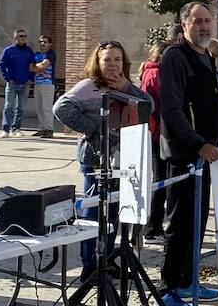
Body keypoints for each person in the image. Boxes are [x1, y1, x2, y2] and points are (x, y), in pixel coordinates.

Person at [54, 41, 152, 279]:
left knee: (114, 214)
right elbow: (61, 108)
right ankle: (90, 265)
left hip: (122, 161)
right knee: (94, 214)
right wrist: (94, 131)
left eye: (117, 59)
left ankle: (107, 260)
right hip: (96, 161)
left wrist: (128, 88)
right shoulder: (88, 87)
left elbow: (149, 106)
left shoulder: (128, 87)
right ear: (97, 62)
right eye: (106, 59)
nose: (112, 65)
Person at [158, 3, 218, 306]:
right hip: (186, 155)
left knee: (197, 224)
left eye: (208, 20)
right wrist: (198, 144)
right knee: (180, 225)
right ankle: (168, 289)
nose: (204, 26)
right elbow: (171, 110)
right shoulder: (175, 57)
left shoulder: (207, 56)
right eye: (197, 21)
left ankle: (187, 281)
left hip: (204, 156)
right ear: (184, 24)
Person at [138, 42, 168, 242]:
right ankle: (153, 228)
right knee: (160, 180)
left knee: (161, 179)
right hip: (157, 133)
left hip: (157, 132)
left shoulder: (152, 72)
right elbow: (158, 105)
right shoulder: (154, 74)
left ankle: (154, 226)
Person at [0, 28, 37, 137]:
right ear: (15, 38)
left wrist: (31, 78)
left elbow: (33, 65)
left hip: (25, 83)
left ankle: (16, 129)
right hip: (12, 83)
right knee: (8, 106)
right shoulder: (8, 51)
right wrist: (7, 78)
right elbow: (1, 64)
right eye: (21, 36)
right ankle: (5, 129)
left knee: (21, 107)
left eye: (25, 36)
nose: (23, 38)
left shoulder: (29, 51)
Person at [31, 34, 57, 137]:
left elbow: (44, 66)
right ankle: (41, 128)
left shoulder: (51, 53)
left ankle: (49, 129)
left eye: (45, 42)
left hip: (48, 84)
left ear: (49, 44)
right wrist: (38, 67)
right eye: (41, 41)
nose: (42, 43)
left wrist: (36, 67)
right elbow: (31, 68)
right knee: (38, 108)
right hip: (37, 83)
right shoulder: (36, 54)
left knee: (47, 107)